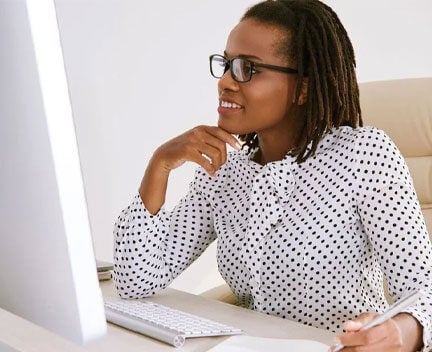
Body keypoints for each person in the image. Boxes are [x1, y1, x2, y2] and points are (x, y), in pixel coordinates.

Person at [113, 0, 432, 350]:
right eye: (226, 64)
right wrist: (159, 165)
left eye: (247, 68)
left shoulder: (363, 155)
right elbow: (136, 280)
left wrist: (402, 332)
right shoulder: (223, 169)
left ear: (303, 88)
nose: (225, 82)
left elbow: (424, 291)